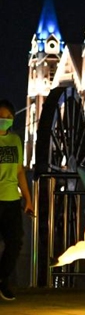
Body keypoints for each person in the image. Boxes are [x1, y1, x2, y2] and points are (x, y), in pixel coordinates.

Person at [0, 99, 34, 301]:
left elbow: (20, 171)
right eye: (1, 117)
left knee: (15, 242)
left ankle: (2, 279)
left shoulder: (15, 140)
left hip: (12, 199)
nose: (4, 120)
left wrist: (27, 199)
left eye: (8, 117)